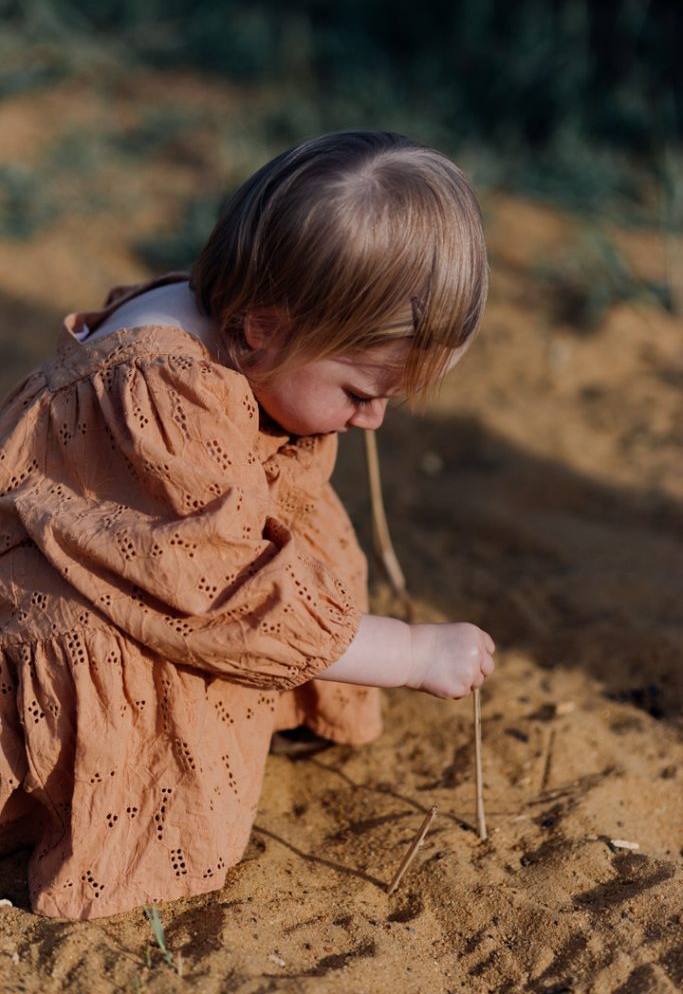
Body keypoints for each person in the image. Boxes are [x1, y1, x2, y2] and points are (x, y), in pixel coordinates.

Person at [0, 130, 495, 919]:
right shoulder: (163, 395)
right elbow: (222, 592)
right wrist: (405, 651)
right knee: (140, 660)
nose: (369, 423)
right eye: (359, 393)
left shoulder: (224, 322)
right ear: (262, 329)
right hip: (92, 608)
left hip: (168, 572)